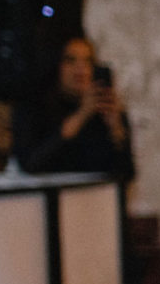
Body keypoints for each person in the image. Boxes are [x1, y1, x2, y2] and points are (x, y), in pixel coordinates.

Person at [13, 36, 136, 181]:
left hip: (97, 200)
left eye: (87, 61)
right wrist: (81, 115)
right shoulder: (33, 108)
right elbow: (31, 164)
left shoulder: (104, 109)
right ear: (56, 65)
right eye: (71, 60)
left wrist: (117, 129)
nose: (80, 69)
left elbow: (126, 173)